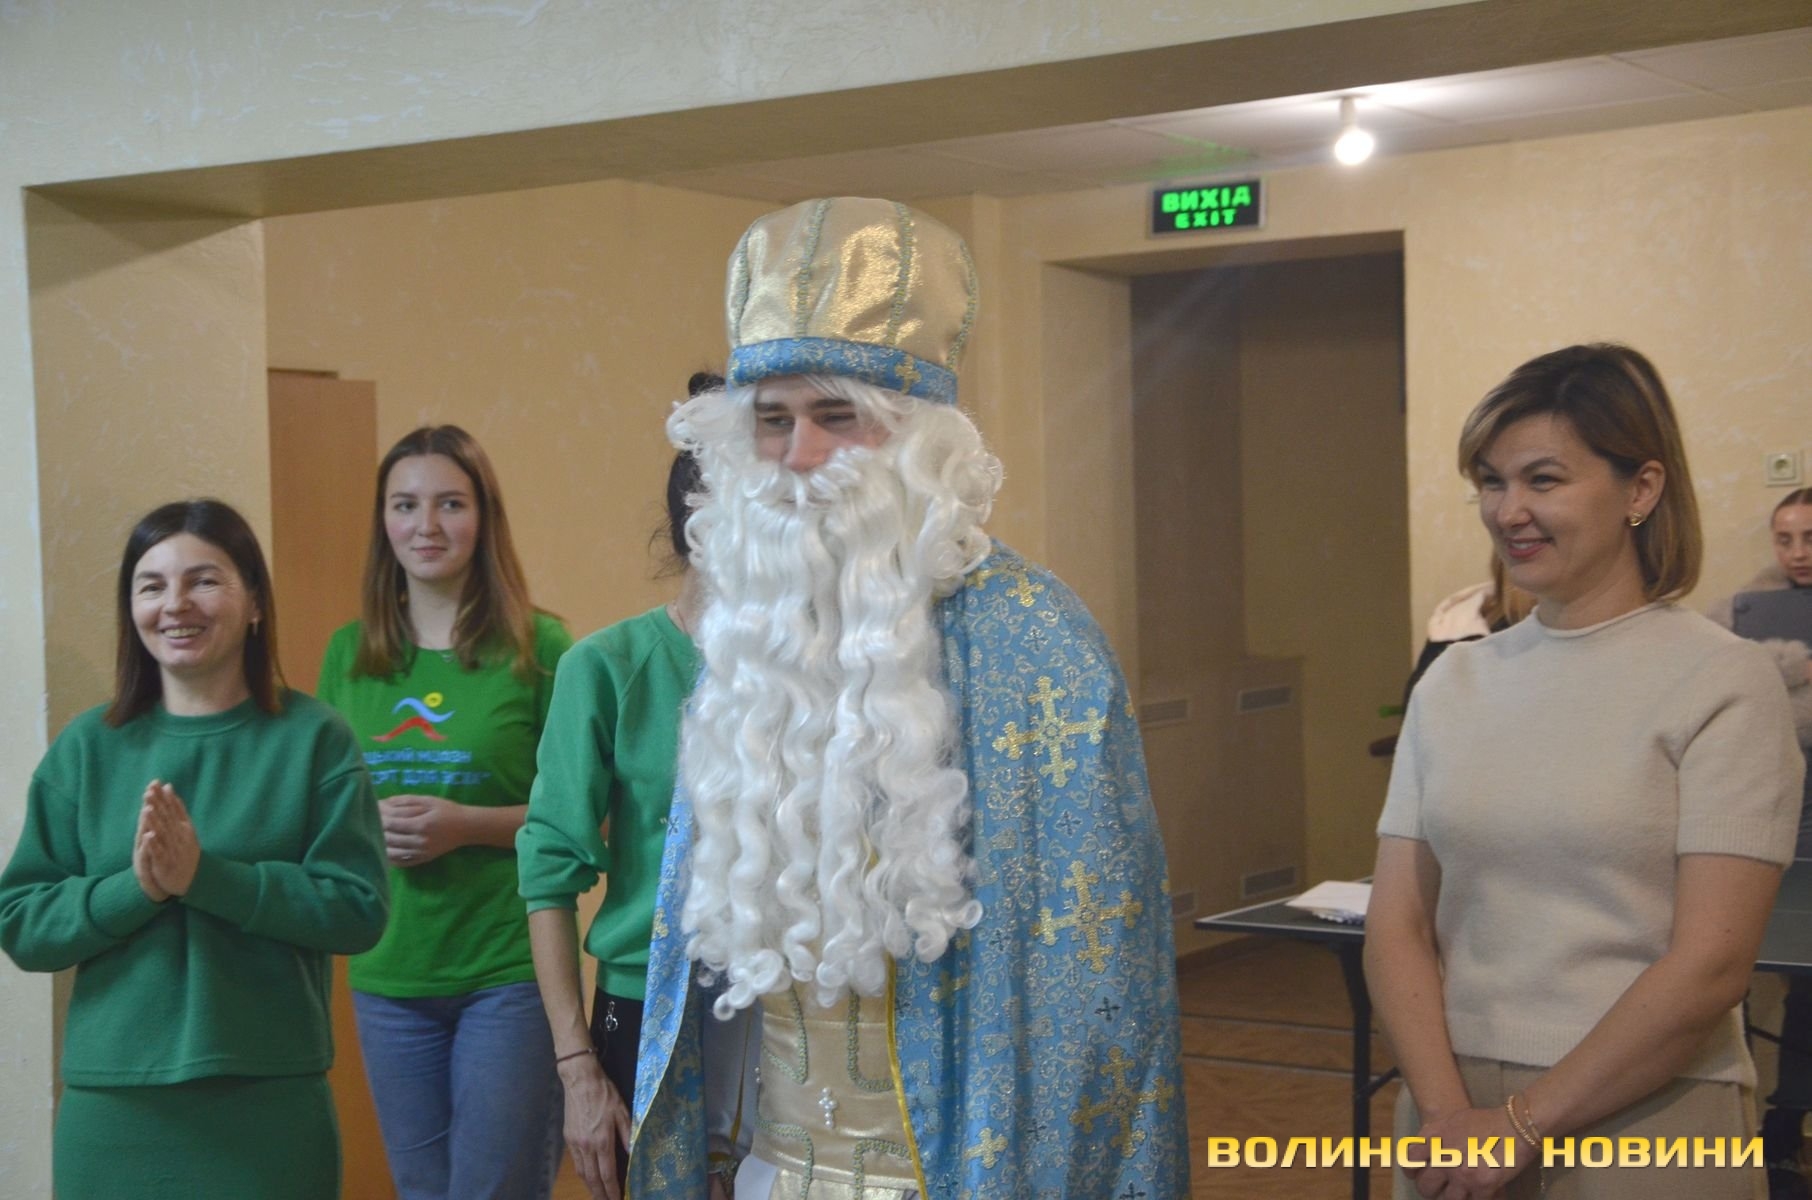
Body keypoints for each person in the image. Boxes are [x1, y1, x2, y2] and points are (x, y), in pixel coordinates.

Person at [625, 197, 1189, 1199]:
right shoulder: (752, 646)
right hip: (767, 1170)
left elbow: (1095, 977)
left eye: (835, 416)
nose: (799, 455)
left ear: (918, 439)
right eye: (772, 421)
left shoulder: (1033, 642)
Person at [1365, 343, 1806, 1200]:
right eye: (1491, 481)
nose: (1510, 511)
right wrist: (1449, 1114)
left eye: (1544, 479)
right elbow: (1398, 922)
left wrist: (1523, 1123)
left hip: (1650, 1111)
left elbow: (1712, 963)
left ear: (1641, 489)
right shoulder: (1454, 682)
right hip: (1451, 1116)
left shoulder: (1725, 680)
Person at [0, 498, 388, 1200]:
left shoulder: (315, 739)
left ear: (255, 602)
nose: (175, 604)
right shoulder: (86, 748)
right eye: (151, 586)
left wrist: (208, 878)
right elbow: (22, 922)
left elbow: (358, 910)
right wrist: (139, 888)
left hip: (269, 1104)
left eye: (204, 581)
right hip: (114, 1108)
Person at [316, 426, 573, 1200]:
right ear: (383, 522)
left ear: (484, 517)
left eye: (450, 504)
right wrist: (367, 823)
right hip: (387, 972)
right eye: (405, 505)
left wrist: (466, 826)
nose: (426, 525)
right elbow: (324, 809)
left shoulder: (541, 647)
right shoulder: (348, 653)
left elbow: (588, 818)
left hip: (509, 972)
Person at [518, 380, 716, 1200]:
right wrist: (577, 1070)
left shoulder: (813, 670)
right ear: (697, 525)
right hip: (644, 1007)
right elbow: (548, 874)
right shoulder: (604, 667)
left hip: (785, 1012)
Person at [1709, 487, 1812, 1196]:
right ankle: (1729, 1125)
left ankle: (1785, 1126)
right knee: (1726, 973)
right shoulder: (1740, 614)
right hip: (1760, 814)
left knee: (1810, 989)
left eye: (1810, 536)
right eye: (1785, 537)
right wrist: (1793, 667)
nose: (1798, 552)